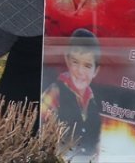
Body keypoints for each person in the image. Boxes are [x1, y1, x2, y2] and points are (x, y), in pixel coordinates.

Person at [40, 29, 103, 162]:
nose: (80, 71)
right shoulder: (55, 92)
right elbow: (40, 133)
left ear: (95, 71)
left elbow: (96, 147)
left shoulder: (93, 103)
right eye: (75, 62)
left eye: (87, 66)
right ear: (67, 60)